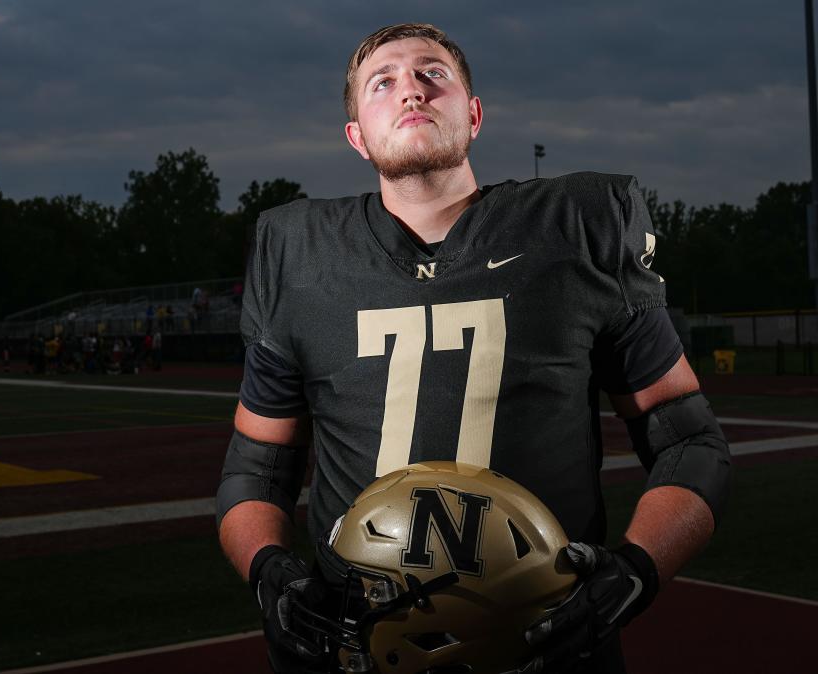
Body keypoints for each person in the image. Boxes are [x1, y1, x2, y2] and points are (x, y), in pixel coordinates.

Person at [216, 23, 731, 674]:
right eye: (383, 82)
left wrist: (632, 573)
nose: (410, 89)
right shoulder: (296, 253)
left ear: (474, 114)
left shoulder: (576, 227)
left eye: (433, 74)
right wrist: (270, 572)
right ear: (357, 137)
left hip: (543, 643)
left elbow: (689, 442)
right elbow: (256, 469)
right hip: (356, 644)